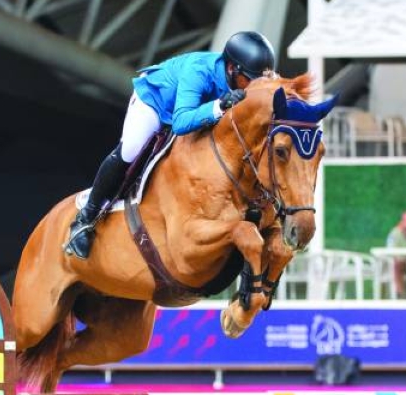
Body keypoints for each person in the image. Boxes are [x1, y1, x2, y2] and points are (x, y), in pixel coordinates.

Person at [63, 31, 278, 260]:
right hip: (156, 104)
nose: (255, 86)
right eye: (251, 80)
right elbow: (181, 122)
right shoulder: (199, 71)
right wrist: (219, 106)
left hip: (195, 111)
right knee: (130, 150)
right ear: (232, 69)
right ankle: (86, 218)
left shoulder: (248, 78)